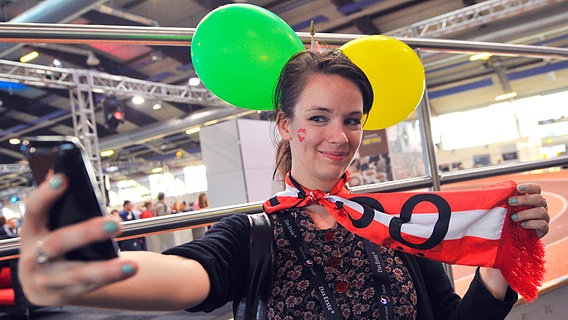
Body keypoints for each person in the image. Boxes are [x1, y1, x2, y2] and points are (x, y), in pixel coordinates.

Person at [17, 49, 550, 319]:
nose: (338, 136)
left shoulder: (396, 222)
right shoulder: (255, 235)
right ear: (283, 124)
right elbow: (188, 276)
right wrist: (91, 277)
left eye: (352, 119)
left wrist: (502, 263)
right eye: (318, 117)